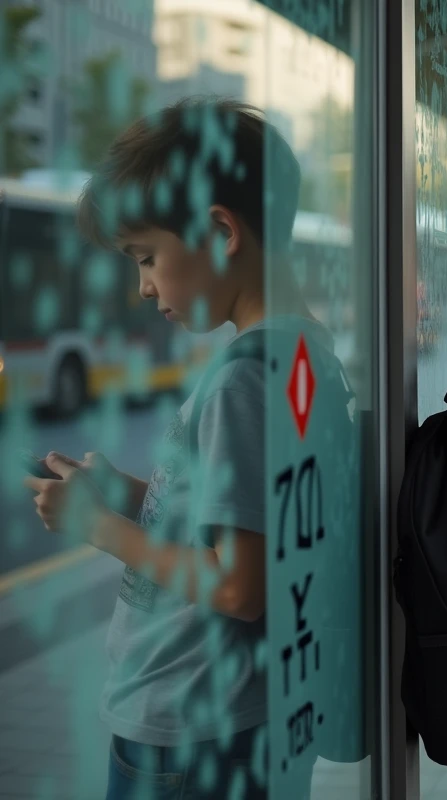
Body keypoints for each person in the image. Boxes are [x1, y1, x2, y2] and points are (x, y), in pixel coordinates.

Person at [24, 98, 323, 799]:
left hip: (190, 728)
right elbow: (245, 518)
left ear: (220, 231)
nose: (143, 286)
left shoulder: (240, 384)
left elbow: (237, 586)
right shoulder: (303, 357)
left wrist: (97, 526)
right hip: (247, 711)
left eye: (148, 257)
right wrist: (131, 493)